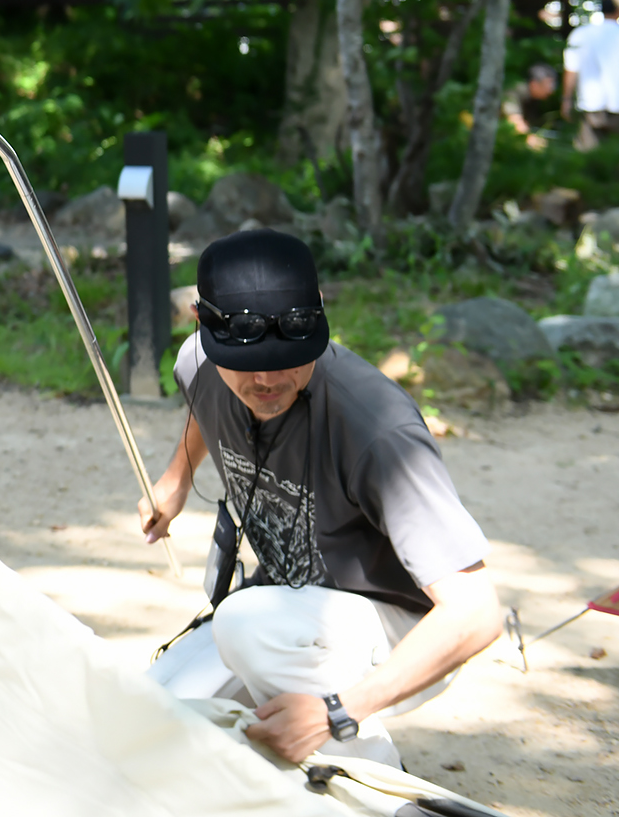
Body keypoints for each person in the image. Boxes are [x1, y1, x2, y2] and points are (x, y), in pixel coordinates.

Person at [140, 229, 501, 769]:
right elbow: (203, 401)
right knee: (153, 716)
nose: (266, 379)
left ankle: (380, 782)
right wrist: (177, 477)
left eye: (288, 357)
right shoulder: (201, 362)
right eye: (245, 359)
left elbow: (477, 614)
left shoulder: (377, 429)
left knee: (245, 623)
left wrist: (337, 712)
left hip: (398, 627)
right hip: (290, 610)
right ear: (201, 323)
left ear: (318, 312)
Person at [564, 0, 619, 152]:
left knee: (588, 156)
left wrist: (566, 100)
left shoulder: (581, 34)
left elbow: (571, 70)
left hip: (590, 104)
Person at [501, 62, 557, 149]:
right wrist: (532, 140)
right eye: (548, 85)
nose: (551, 91)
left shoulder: (534, 99)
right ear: (534, 84)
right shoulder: (513, 91)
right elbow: (514, 122)